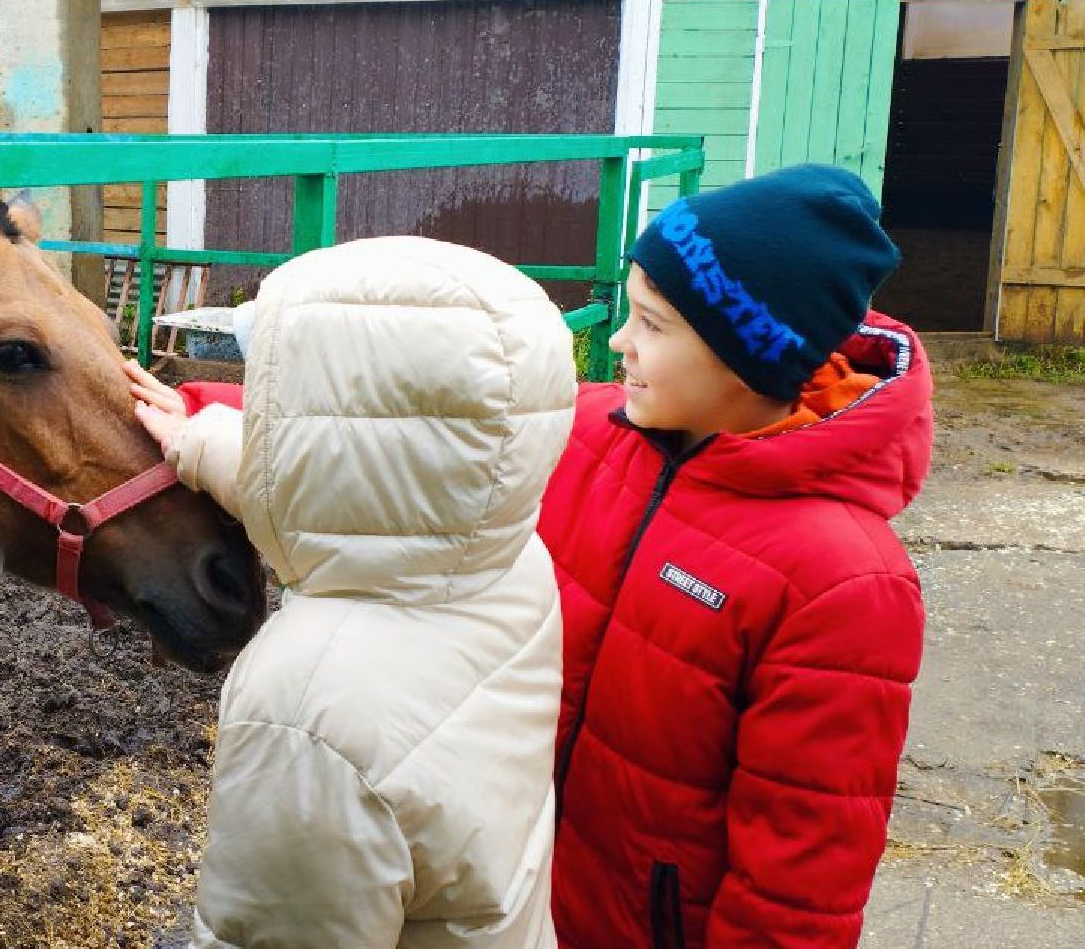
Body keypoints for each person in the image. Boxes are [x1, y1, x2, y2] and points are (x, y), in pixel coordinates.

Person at [128, 235, 576, 948]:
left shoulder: (308, 710)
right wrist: (202, 441)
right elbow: (381, 493)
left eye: (276, 403)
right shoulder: (506, 557)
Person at [540, 164, 933, 947]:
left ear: (747, 355)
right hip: (523, 903)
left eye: (652, 325)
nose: (618, 341)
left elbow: (799, 880)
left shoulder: (842, 582)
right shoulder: (587, 434)